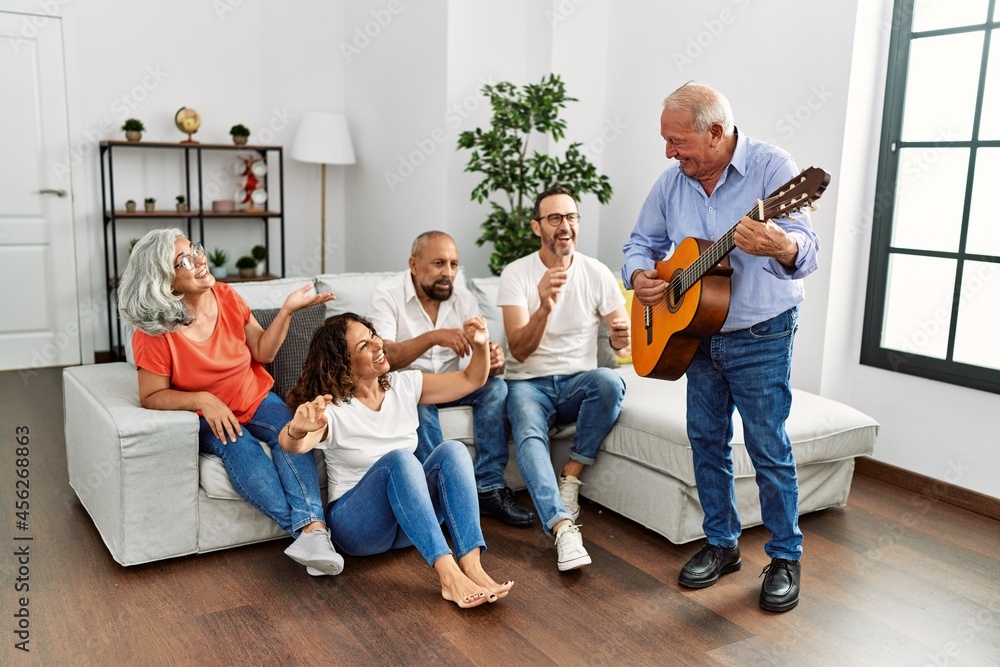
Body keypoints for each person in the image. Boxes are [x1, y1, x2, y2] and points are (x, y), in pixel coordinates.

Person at [622, 82, 821, 612]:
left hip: (762, 333)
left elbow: (807, 249)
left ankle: (784, 556)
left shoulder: (774, 171)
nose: (668, 152)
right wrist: (639, 275)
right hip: (697, 338)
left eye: (676, 141)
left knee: (766, 446)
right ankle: (722, 544)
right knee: (706, 441)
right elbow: (638, 244)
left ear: (715, 132)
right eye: (665, 141)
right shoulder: (671, 185)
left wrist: (780, 243)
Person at [117, 228, 344, 577]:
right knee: (240, 447)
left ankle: (313, 536)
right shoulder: (155, 332)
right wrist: (204, 400)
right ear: (168, 282)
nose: (199, 260)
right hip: (206, 416)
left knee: (292, 431)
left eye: (195, 249)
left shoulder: (226, 296)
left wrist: (286, 312)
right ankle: (309, 531)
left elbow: (263, 352)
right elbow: (151, 396)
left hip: (254, 398)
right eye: (184, 261)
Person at [279, 313, 514, 609]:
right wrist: (297, 429)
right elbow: (295, 445)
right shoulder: (334, 409)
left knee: (453, 451)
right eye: (364, 345)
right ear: (344, 363)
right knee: (401, 461)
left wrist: (479, 345)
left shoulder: (404, 386)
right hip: (359, 530)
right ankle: (448, 576)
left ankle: (473, 566)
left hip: (408, 527)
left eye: (374, 335)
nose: (379, 345)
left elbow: (471, 380)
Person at [498, 185, 630, 571]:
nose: (565, 226)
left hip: (577, 383)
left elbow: (622, 339)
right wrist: (544, 305)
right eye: (554, 218)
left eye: (571, 217)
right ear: (537, 227)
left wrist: (623, 337)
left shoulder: (596, 272)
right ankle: (562, 527)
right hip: (528, 383)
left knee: (610, 381)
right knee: (526, 426)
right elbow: (519, 351)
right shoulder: (517, 274)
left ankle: (570, 476)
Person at [368, 231, 535, 528]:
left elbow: (475, 362)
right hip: (412, 388)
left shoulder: (464, 299)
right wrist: (434, 337)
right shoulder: (387, 294)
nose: (448, 273)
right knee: (417, 401)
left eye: (454, 265)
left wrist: (490, 360)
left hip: (453, 382)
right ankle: (438, 499)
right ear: (414, 264)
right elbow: (385, 358)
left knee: (495, 387)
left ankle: (489, 488)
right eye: (439, 263)